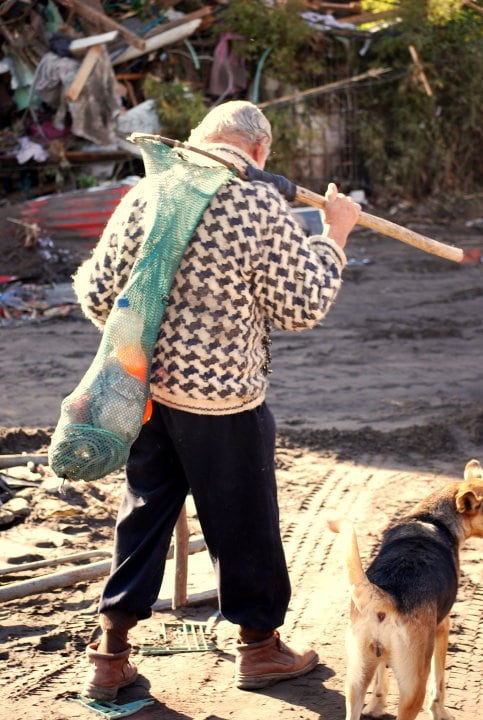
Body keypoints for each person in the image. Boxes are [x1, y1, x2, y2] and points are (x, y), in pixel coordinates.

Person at [73, 100, 360, 700]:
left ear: (197, 140)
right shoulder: (257, 203)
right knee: (244, 525)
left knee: (142, 518)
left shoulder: (145, 195)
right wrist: (334, 233)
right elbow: (302, 306)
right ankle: (259, 649)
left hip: (145, 395)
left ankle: (110, 658)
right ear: (260, 152)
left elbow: (98, 296)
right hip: (225, 403)